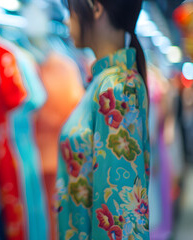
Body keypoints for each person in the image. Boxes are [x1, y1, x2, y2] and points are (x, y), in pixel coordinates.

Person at [56, 0, 150, 239]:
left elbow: (120, 216)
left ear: (96, 8)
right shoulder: (104, 82)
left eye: (71, 10)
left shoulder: (117, 87)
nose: (67, 20)